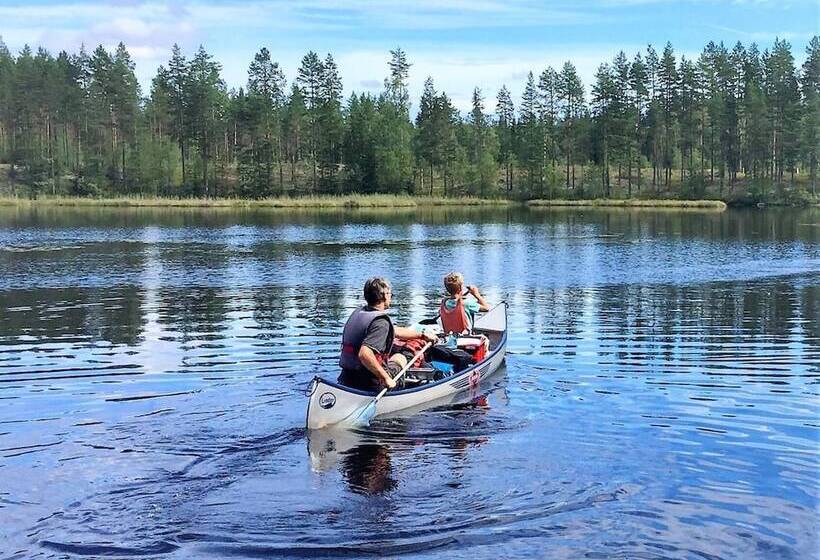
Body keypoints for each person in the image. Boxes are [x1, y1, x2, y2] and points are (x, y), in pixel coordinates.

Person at [338, 277, 437, 392]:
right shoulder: (380, 323)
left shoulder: (360, 313)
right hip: (370, 383)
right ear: (384, 296)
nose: (391, 297)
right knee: (404, 355)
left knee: (396, 348)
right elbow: (364, 354)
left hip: (347, 378)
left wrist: (422, 334)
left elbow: (395, 331)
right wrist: (386, 378)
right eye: (391, 294)